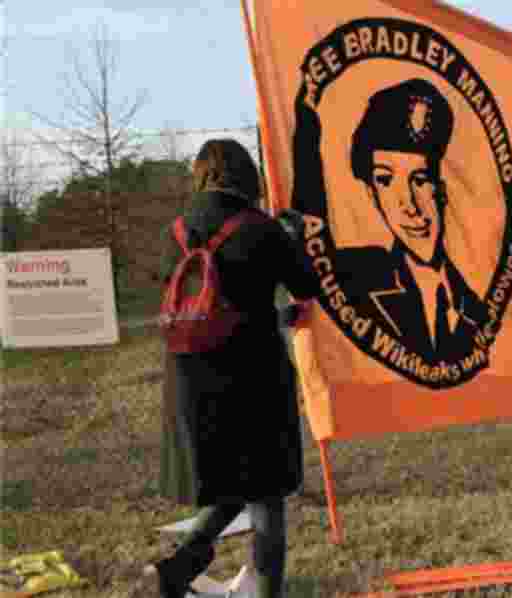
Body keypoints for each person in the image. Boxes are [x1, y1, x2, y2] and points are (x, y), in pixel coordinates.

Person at [145, 139, 319, 598]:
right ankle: (264, 592)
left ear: (201, 176)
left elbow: (202, 299)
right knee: (266, 492)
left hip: (189, 377)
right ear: (248, 177)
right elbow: (306, 286)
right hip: (253, 376)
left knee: (233, 484)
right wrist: (294, 238)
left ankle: (183, 561)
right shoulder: (262, 228)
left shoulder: (177, 231)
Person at [291, 77, 488, 365]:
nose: (408, 206)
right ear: (372, 194)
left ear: (443, 189)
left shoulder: (474, 308)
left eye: (420, 180)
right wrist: (306, 129)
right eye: (385, 180)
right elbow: (314, 239)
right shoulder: (359, 275)